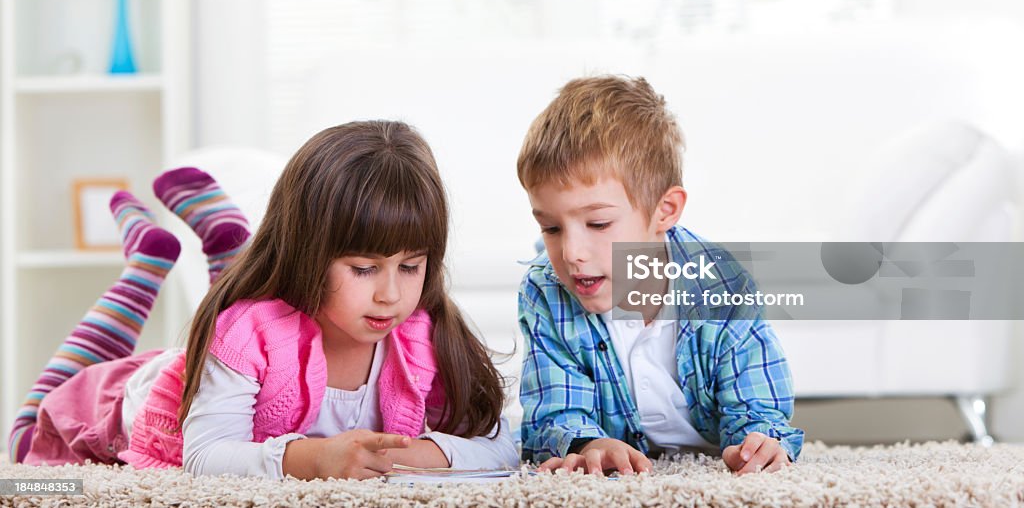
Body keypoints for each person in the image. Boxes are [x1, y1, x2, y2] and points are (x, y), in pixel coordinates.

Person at [9, 121, 518, 480]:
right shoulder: (249, 332)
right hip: (118, 404)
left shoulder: (420, 334)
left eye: (411, 266)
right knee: (28, 435)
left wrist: (420, 456)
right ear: (308, 252)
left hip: (226, 364)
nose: (391, 294)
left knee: (241, 319)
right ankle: (145, 268)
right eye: (364, 268)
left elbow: (500, 441)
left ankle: (227, 255)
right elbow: (205, 456)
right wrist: (309, 460)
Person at [516, 75, 803, 475]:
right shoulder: (546, 292)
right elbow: (555, 413)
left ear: (664, 211)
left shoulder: (723, 286)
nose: (571, 253)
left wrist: (759, 442)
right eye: (551, 229)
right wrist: (588, 444)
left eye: (598, 224)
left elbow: (758, 405)